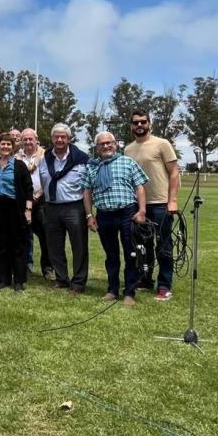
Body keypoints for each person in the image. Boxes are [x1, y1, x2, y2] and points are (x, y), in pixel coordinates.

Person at [82, 131, 149, 306]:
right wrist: (89, 215)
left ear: (115, 144)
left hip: (128, 213)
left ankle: (129, 292)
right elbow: (87, 191)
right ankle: (112, 289)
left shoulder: (127, 162)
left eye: (109, 143)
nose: (106, 146)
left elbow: (139, 187)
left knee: (131, 254)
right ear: (97, 148)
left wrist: (142, 211)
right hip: (104, 215)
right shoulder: (91, 167)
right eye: (101, 144)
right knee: (111, 255)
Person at [124, 109, 179, 301]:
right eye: (136, 122)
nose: (139, 125)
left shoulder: (162, 144)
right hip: (139, 205)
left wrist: (172, 200)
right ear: (131, 125)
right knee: (142, 246)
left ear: (149, 123)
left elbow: (174, 172)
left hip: (160, 203)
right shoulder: (128, 149)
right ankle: (145, 279)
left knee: (163, 245)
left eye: (143, 122)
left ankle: (164, 285)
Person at [39, 123, 91, 295]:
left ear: (69, 139)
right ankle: (61, 280)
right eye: (56, 136)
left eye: (63, 137)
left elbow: (87, 186)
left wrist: (89, 212)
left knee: (79, 246)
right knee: (54, 247)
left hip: (74, 207)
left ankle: (78, 283)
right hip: (51, 207)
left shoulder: (82, 158)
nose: (60, 140)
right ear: (52, 138)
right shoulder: (45, 158)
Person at [0, 133, 33, 291]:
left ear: (13, 147)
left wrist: (28, 209)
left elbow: (29, 189)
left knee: (18, 245)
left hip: (16, 208)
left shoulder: (19, 165)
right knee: (1, 245)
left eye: (8, 144)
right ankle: (3, 278)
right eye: (2, 144)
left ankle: (19, 280)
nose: (5, 147)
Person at [16, 128, 52, 278]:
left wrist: (39, 193)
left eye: (31, 139)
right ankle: (24, 266)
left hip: (41, 201)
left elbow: (50, 177)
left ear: (36, 139)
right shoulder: (17, 157)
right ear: (21, 141)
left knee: (45, 236)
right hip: (23, 202)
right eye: (25, 139)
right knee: (23, 235)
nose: (28, 142)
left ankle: (48, 268)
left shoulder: (46, 156)